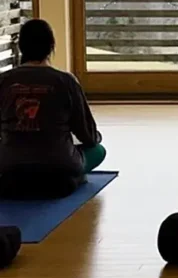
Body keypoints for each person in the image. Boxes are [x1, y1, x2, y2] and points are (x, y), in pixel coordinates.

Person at [0, 19, 106, 176]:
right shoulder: (66, 81)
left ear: (21, 47)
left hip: (10, 168)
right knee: (98, 151)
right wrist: (96, 137)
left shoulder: (3, 81)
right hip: (59, 168)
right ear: (51, 47)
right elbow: (87, 135)